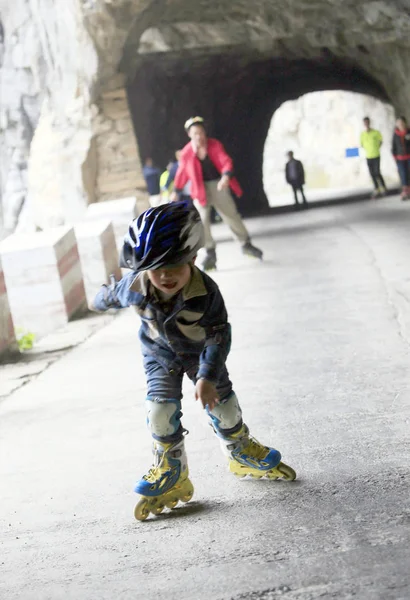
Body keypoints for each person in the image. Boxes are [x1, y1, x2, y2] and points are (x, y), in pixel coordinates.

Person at [91, 201, 296, 521]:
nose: (165, 276)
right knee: (160, 412)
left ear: (193, 257)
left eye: (174, 265)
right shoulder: (133, 286)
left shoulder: (207, 293)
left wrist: (208, 376)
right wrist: (99, 298)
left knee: (223, 407)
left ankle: (239, 449)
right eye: (155, 269)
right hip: (160, 355)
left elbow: (218, 335)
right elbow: (108, 296)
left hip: (202, 355)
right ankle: (171, 467)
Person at [171, 116, 263, 271]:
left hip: (218, 185)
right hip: (199, 189)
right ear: (190, 135)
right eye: (195, 133)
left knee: (231, 214)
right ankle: (209, 251)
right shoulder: (187, 153)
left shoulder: (214, 145)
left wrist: (226, 176)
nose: (199, 136)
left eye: (201, 132)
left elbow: (225, 160)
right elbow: (182, 173)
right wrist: (176, 191)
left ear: (204, 132)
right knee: (201, 220)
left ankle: (245, 243)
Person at [360, 117, 386, 198]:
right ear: (364, 124)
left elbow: (381, 140)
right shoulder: (362, 134)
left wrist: (377, 147)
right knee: (372, 173)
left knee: (377, 172)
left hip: (376, 155)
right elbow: (361, 144)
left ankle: (383, 187)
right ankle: (376, 188)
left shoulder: (376, 132)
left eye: (367, 122)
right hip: (368, 156)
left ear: (369, 122)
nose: (366, 124)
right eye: (365, 122)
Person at [392, 116, 410, 201]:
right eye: (399, 123)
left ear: (405, 123)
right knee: (403, 174)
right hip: (400, 158)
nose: (400, 124)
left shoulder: (409, 132)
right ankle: (405, 191)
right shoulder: (395, 134)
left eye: (402, 122)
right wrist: (395, 157)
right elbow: (393, 146)